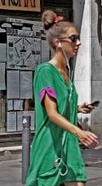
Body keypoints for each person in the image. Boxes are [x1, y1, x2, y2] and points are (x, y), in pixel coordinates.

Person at [26, 10, 99, 186]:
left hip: (69, 145)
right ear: (58, 43)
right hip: (50, 145)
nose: (79, 43)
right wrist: (79, 132)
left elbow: (60, 105)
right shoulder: (45, 71)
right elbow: (51, 113)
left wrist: (78, 108)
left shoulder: (66, 72)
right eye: (73, 39)